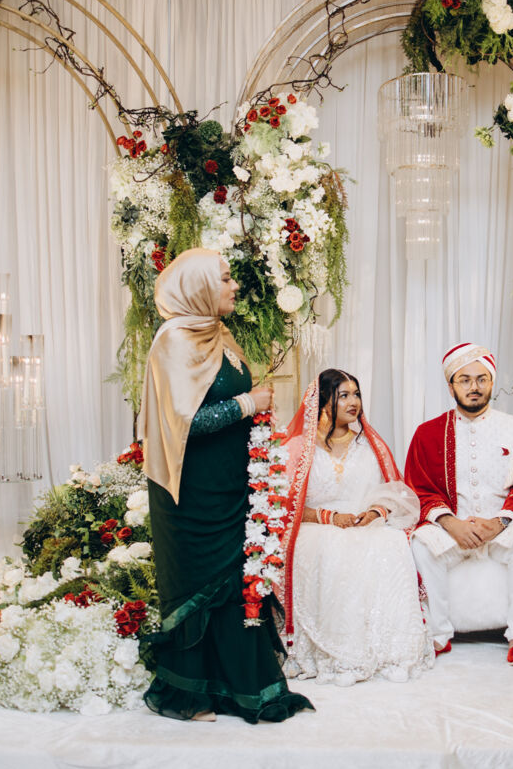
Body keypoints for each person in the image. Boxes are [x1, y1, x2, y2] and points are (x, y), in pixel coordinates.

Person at [138, 249, 312, 724]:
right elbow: (183, 424)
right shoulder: (173, 341)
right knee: (201, 587)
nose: (235, 286)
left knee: (238, 586)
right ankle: (189, 692)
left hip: (232, 486)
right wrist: (248, 404)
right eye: (226, 279)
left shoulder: (220, 335)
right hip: (192, 493)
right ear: (197, 287)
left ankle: (240, 686)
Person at [405, 343, 513, 666]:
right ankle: (438, 634)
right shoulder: (428, 433)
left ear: (492, 382)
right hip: (452, 527)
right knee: (420, 544)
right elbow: (417, 489)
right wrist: (452, 524)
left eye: (481, 379)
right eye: (464, 380)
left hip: (501, 527)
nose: (473, 387)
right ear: (451, 386)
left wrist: (498, 523)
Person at [278, 369, 433, 685]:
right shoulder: (298, 448)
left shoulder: (371, 445)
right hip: (316, 526)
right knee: (332, 548)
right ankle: (342, 656)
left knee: (391, 544)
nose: (354, 402)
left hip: (364, 525)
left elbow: (394, 493)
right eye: (344, 395)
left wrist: (375, 512)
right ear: (323, 401)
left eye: (357, 394)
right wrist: (330, 518)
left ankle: (394, 652)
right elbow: (285, 507)